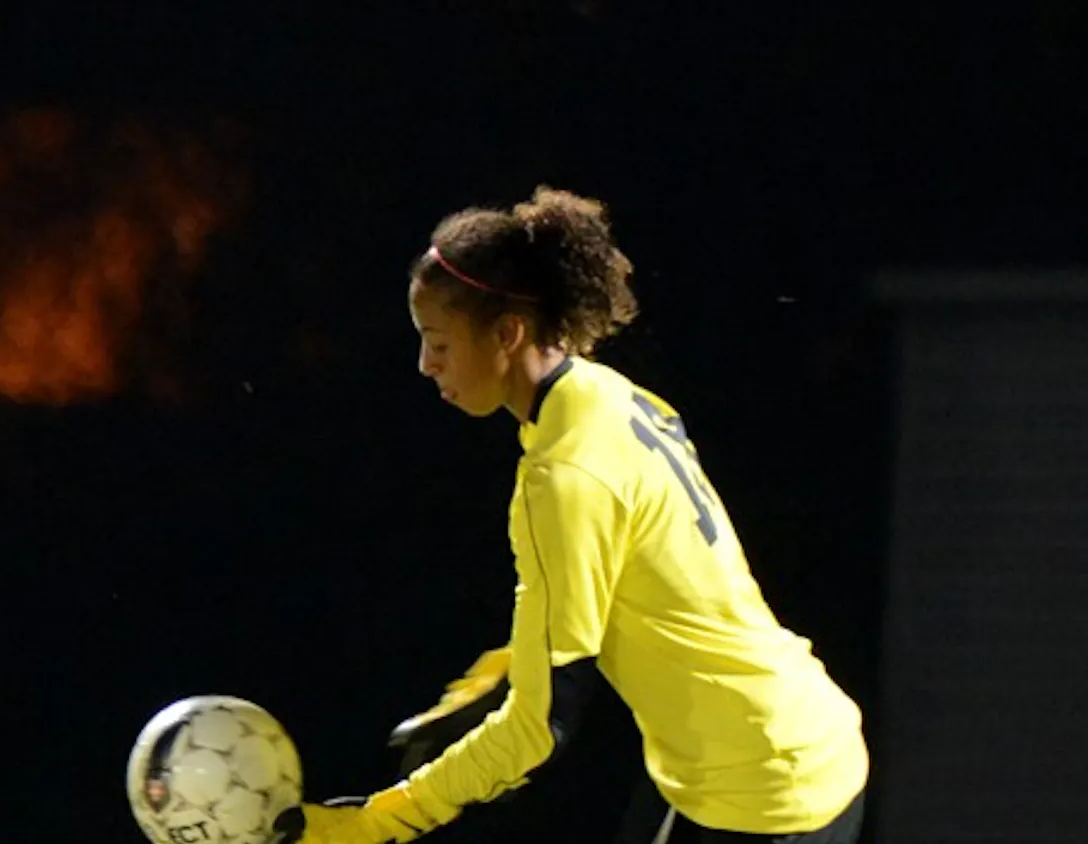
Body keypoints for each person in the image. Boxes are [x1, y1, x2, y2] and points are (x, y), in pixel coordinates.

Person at [273, 186, 868, 844]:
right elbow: (636, 580)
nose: (425, 364)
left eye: (437, 341)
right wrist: (509, 668)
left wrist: (380, 821)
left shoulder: (561, 477)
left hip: (762, 796)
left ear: (507, 333)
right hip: (778, 744)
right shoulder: (610, 395)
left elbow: (539, 729)